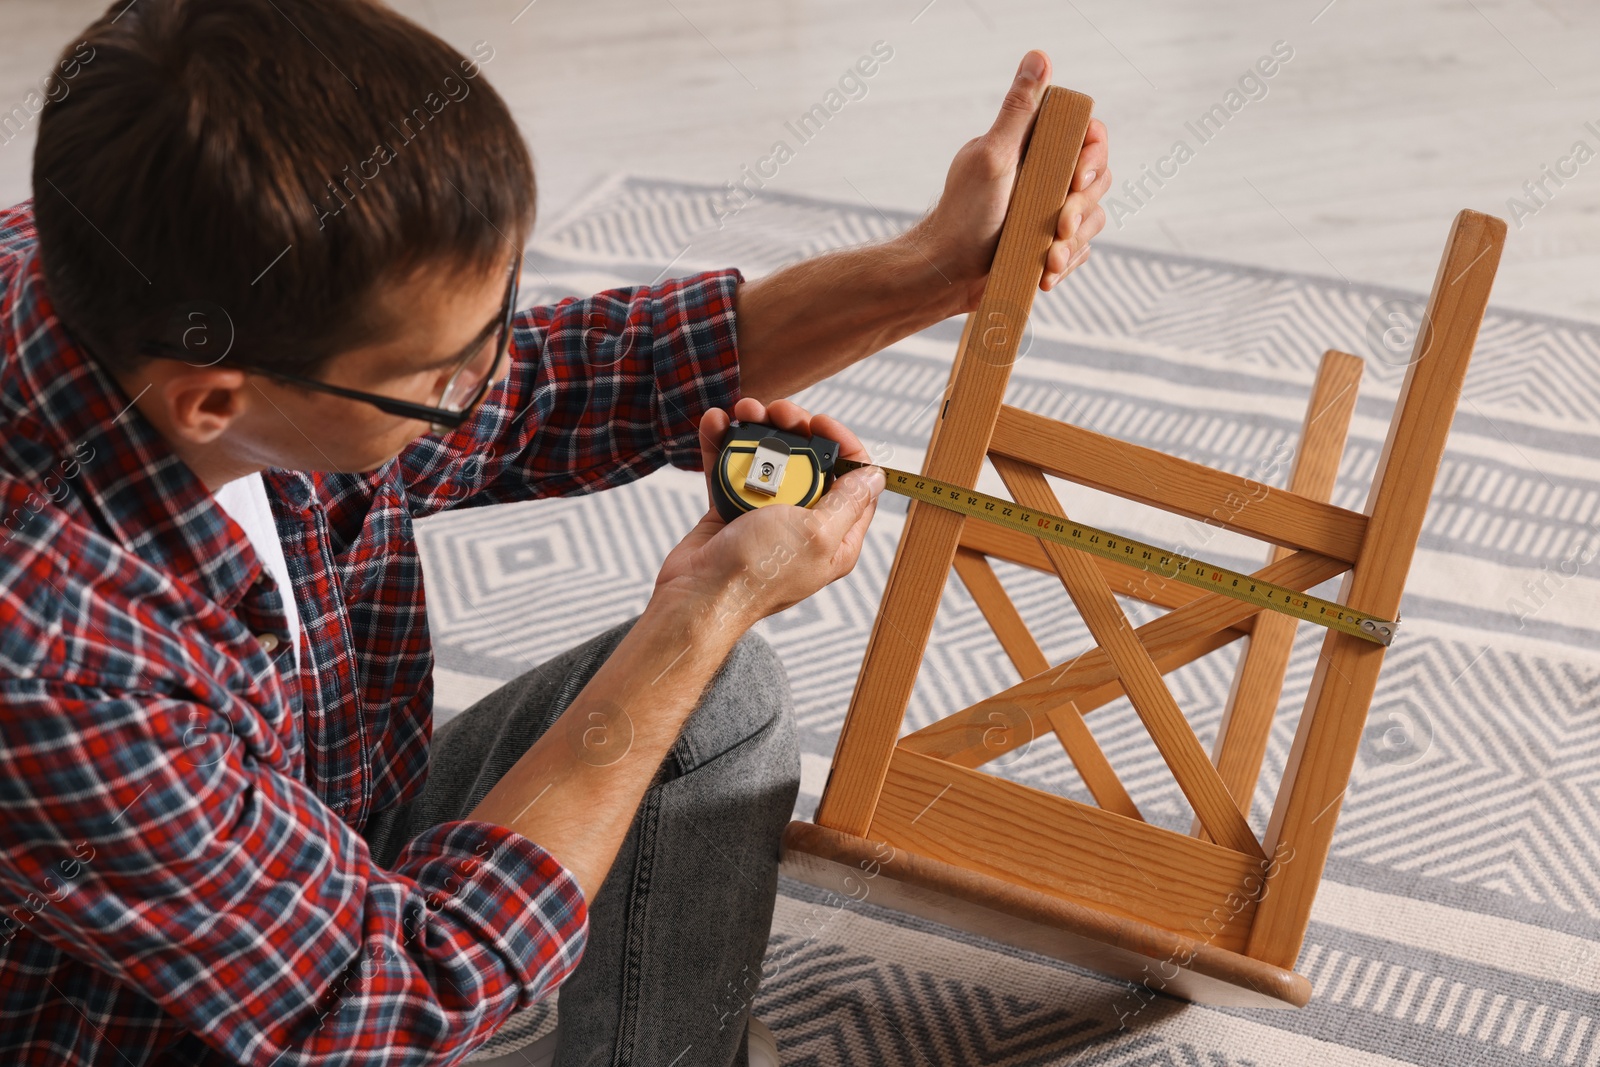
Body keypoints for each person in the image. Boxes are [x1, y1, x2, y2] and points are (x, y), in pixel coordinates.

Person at [0, 0, 1110, 1064]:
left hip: (308, 835)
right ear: (213, 400)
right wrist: (696, 609)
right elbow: (394, 997)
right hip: (189, 1014)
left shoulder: (130, 265)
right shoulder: (57, 652)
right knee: (690, 665)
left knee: (716, 707)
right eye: (439, 376)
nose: (485, 375)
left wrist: (933, 268)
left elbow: (547, 388)